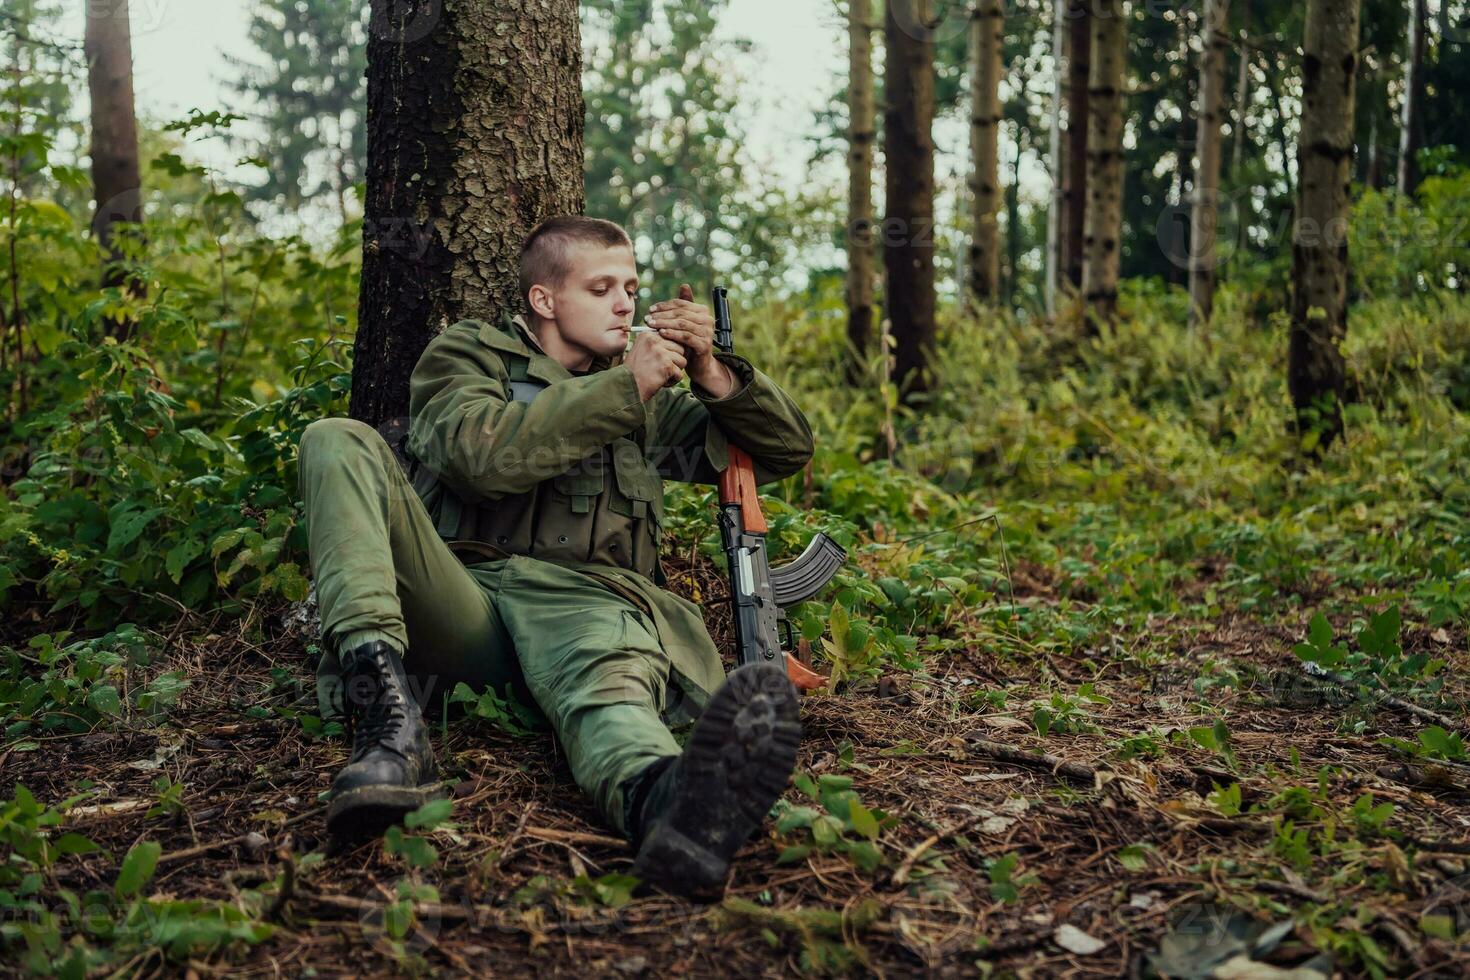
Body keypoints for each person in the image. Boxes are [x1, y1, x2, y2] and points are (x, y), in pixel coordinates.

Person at [295, 215, 815, 897]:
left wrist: (711, 370)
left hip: (588, 616)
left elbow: (785, 451)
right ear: (544, 300)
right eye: (602, 287)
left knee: (610, 693)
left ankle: (665, 802)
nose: (626, 303)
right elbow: (478, 457)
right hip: (467, 615)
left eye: (631, 286)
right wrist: (625, 387)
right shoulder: (471, 356)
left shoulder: (652, 402)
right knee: (336, 438)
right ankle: (387, 725)